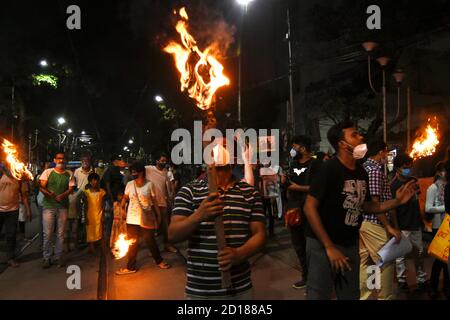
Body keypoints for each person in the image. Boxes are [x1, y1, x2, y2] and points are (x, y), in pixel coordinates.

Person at [303, 120, 417, 300]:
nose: (361, 136)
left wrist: (397, 201)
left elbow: (367, 206)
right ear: (342, 144)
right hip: (322, 244)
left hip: (350, 243)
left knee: (350, 294)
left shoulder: (361, 172)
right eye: (354, 134)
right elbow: (309, 208)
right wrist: (329, 247)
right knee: (319, 294)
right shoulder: (329, 169)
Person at [169, 143, 266, 299]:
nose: (219, 145)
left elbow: (260, 234)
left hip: (240, 289)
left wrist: (239, 254)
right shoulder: (189, 191)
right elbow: (173, 235)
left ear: (232, 161)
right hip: (201, 292)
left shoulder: (249, 193)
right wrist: (199, 215)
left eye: (224, 143)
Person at [359, 139, 401, 300]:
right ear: (380, 152)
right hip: (374, 223)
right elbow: (375, 203)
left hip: (365, 223)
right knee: (386, 262)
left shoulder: (365, 167)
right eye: (386, 151)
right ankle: (385, 297)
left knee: (368, 263)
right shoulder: (375, 170)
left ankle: (363, 296)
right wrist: (389, 227)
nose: (387, 155)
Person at [116, 162, 170, 275]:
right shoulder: (130, 184)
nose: (133, 174)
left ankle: (159, 261)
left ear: (141, 172)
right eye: (132, 172)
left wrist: (158, 215)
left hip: (146, 218)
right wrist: (121, 208)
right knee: (132, 243)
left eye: (135, 172)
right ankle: (131, 267)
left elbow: (154, 201)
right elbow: (125, 198)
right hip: (132, 219)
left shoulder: (150, 184)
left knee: (150, 241)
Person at [284, 135, 322, 290]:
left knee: (312, 246)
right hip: (294, 210)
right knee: (298, 246)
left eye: (295, 147)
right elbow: (289, 184)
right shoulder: (293, 164)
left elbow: (318, 188)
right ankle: (306, 277)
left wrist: (296, 188)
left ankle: (316, 279)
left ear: (303, 148)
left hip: (310, 211)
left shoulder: (316, 165)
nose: (292, 150)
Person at [390, 153, 428, 292]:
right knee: (400, 255)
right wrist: (396, 227)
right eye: (406, 167)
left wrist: (421, 220)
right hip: (402, 225)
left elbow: (417, 201)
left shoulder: (413, 181)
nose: (408, 170)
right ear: (398, 168)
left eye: (410, 167)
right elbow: (392, 209)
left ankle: (422, 279)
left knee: (419, 253)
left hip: (415, 224)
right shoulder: (393, 185)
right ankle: (401, 280)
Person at [39, 151, 75, 268]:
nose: (61, 160)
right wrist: (49, 194)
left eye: (63, 158)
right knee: (48, 233)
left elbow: (70, 189)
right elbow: (41, 187)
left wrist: (61, 196)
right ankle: (46, 257)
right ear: (54, 160)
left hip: (63, 207)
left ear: (65, 161)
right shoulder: (48, 172)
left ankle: (58, 257)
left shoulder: (69, 173)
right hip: (49, 206)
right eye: (59, 158)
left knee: (60, 234)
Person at [0, 162, 32, 267]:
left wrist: (28, 210)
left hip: (13, 210)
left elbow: (24, 196)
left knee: (11, 234)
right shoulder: (1, 176)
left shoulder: (19, 179)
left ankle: (10, 258)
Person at [425, 161, 449, 298]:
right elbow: (428, 208)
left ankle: (446, 285)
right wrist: (445, 208)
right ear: (440, 172)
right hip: (437, 226)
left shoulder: (447, 186)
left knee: (447, 258)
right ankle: (433, 286)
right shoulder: (433, 188)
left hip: (447, 224)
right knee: (440, 258)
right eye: (446, 170)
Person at [145, 153, 177, 253]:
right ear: (157, 161)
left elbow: (166, 186)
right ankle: (153, 249)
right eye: (162, 160)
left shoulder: (165, 172)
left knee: (165, 225)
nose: (164, 162)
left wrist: (169, 199)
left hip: (162, 202)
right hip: (151, 203)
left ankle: (167, 244)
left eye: (165, 161)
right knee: (152, 227)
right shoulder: (149, 169)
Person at [102, 156, 126, 246]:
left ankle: (114, 239)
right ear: (115, 161)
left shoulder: (117, 170)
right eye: (120, 160)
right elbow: (107, 183)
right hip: (110, 199)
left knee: (115, 220)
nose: (122, 161)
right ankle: (107, 240)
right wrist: (111, 197)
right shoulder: (110, 170)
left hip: (116, 199)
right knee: (109, 219)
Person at [83, 173, 106, 255]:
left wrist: (103, 214)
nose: (94, 182)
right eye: (92, 180)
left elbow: (103, 204)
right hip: (90, 215)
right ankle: (91, 248)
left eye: (95, 180)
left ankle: (101, 248)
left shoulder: (102, 192)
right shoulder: (86, 193)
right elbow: (85, 206)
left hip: (99, 214)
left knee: (100, 231)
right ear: (89, 181)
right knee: (90, 232)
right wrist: (85, 216)